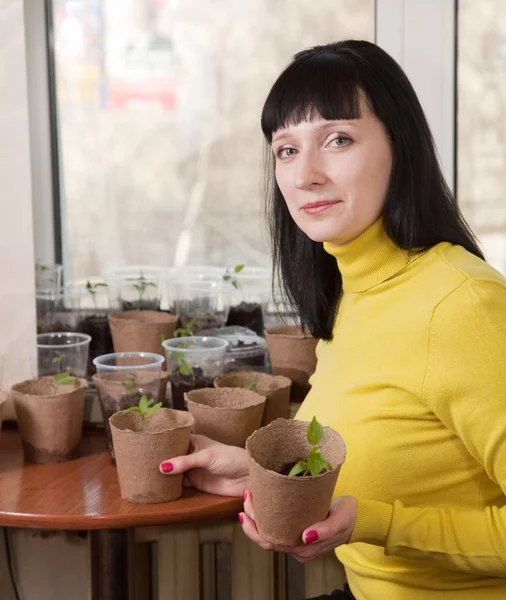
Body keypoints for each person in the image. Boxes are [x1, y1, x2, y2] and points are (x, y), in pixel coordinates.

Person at [159, 40, 506, 599]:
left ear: (401, 146)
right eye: (286, 150)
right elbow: (394, 452)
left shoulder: (464, 306)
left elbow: (380, 506)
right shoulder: (352, 291)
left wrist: (378, 522)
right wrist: (255, 471)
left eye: (337, 140)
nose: (305, 176)